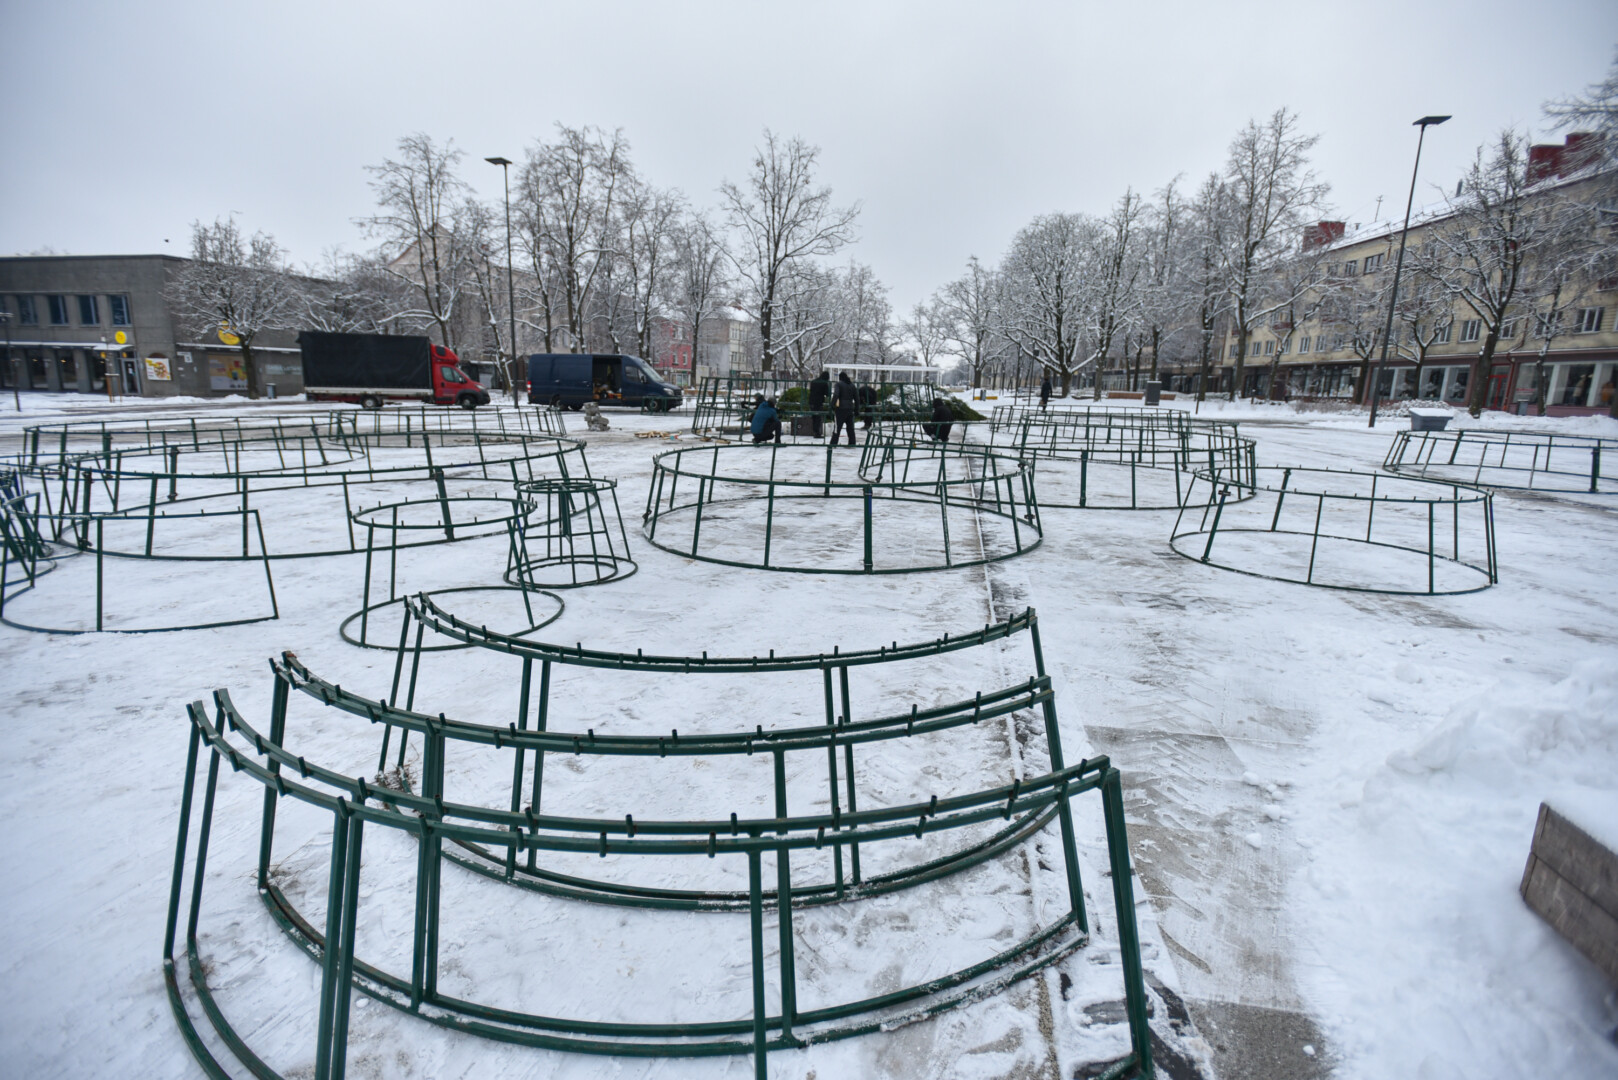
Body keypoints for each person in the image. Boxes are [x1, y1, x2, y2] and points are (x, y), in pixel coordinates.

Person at [831, 372, 859, 447]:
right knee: (850, 428)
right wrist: (857, 409)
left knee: (837, 428)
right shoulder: (852, 385)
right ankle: (852, 443)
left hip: (840, 409)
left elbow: (836, 395)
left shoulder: (838, 384)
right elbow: (857, 398)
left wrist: (832, 405)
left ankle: (833, 444)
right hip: (850, 408)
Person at [808, 370, 831, 438]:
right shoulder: (824, 383)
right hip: (818, 402)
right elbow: (827, 394)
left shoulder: (814, 381)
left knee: (814, 417)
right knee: (818, 417)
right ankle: (817, 433)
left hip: (811, 401)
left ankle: (814, 431)